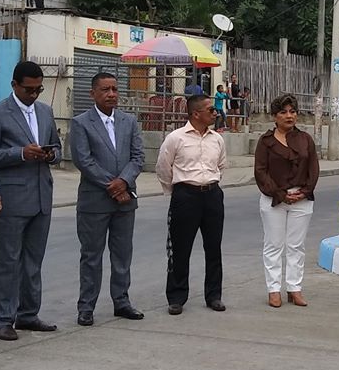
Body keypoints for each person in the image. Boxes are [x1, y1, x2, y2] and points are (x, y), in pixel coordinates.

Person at [0, 61, 61, 341]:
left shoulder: (45, 111)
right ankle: (3, 318)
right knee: (7, 260)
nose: (34, 94)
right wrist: (20, 154)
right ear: (14, 85)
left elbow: (57, 146)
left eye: (39, 89)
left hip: (41, 197)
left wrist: (51, 154)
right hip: (12, 198)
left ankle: (28, 314)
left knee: (33, 261)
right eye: (29, 90)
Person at [69, 73, 146, 326]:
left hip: (125, 201)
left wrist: (124, 181)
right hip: (94, 201)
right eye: (105, 90)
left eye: (114, 89)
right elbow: (83, 160)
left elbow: (138, 157)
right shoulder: (81, 123)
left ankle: (121, 301)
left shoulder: (129, 121)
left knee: (122, 254)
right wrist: (113, 186)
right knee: (91, 256)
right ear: (93, 93)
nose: (111, 94)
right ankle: (86, 306)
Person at [155, 93, 227, 315]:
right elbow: (163, 168)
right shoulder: (176, 138)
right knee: (180, 248)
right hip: (185, 196)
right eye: (210, 110)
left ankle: (213, 295)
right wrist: (177, 192)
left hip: (212, 195)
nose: (215, 113)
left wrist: (210, 185)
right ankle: (176, 297)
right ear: (196, 113)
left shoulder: (217, 139)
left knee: (213, 247)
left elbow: (221, 165)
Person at [254, 94, 320, 307]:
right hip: (274, 199)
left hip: (302, 199)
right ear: (275, 116)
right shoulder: (266, 142)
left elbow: (313, 169)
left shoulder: (305, 140)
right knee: (273, 245)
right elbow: (261, 172)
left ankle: (294, 288)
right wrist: (280, 195)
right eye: (283, 112)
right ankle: (274, 290)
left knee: (296, 246)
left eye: (292, 111)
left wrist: (304, 191)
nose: (289, 116)